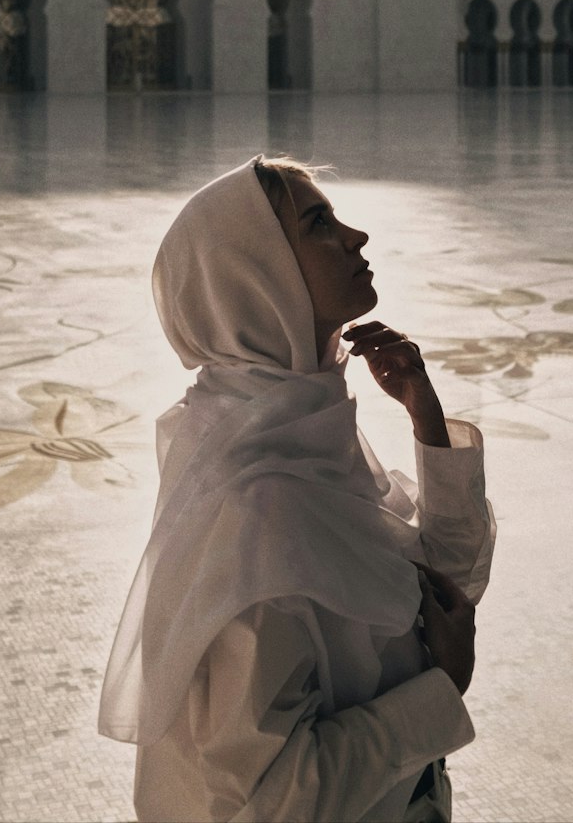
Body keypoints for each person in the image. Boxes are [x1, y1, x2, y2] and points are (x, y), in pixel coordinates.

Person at [99, 156, 496, 822]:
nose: (355, 238)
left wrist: (425, 417)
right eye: (318, 224)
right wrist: (441, 688)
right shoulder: (256, 514)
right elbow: (276, 802)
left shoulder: (300, 432)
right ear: (255, 277)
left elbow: (442, 587)